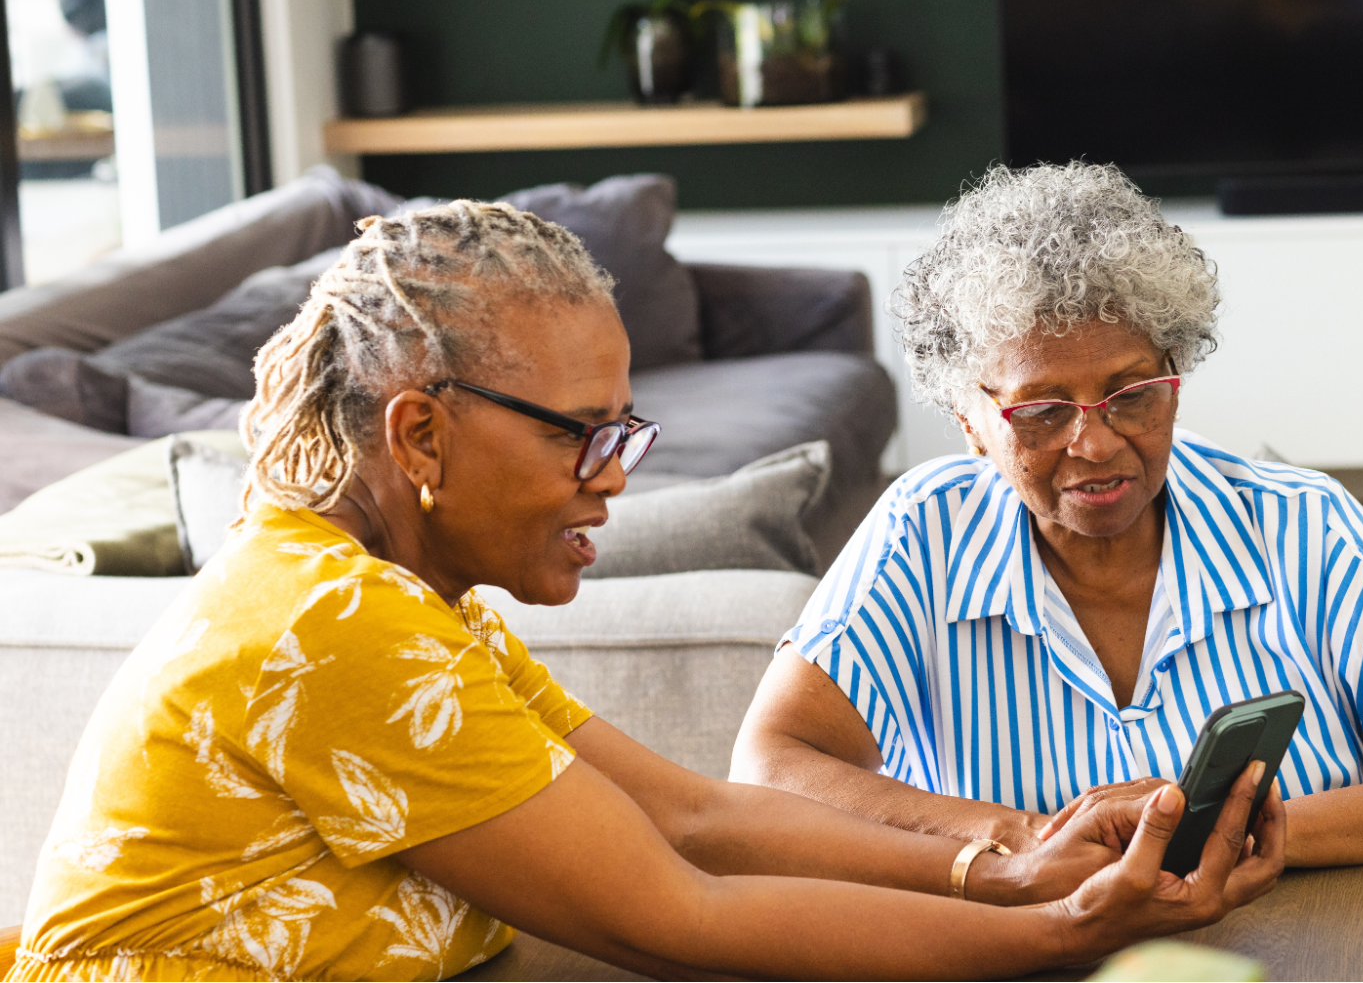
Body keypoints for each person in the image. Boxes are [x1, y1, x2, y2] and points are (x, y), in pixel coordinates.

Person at [6, 200, 1283, 982]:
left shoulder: (402, 606)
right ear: (418, 436)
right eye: (581, 434)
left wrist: (999, 867)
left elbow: (693, 816)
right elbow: (682, 916)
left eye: (626, 432)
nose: (613, 478)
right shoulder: (334, 626)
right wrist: (1057, 934)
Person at [732, 162, 1363, 867]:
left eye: (1131, 394)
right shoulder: (921, 535)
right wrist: (1024, 836)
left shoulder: (1297, 524)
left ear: (1175, 375)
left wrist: (1223, 834)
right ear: (971, 423)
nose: (1096, 444)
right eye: (1041, 412)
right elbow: (767, 772)